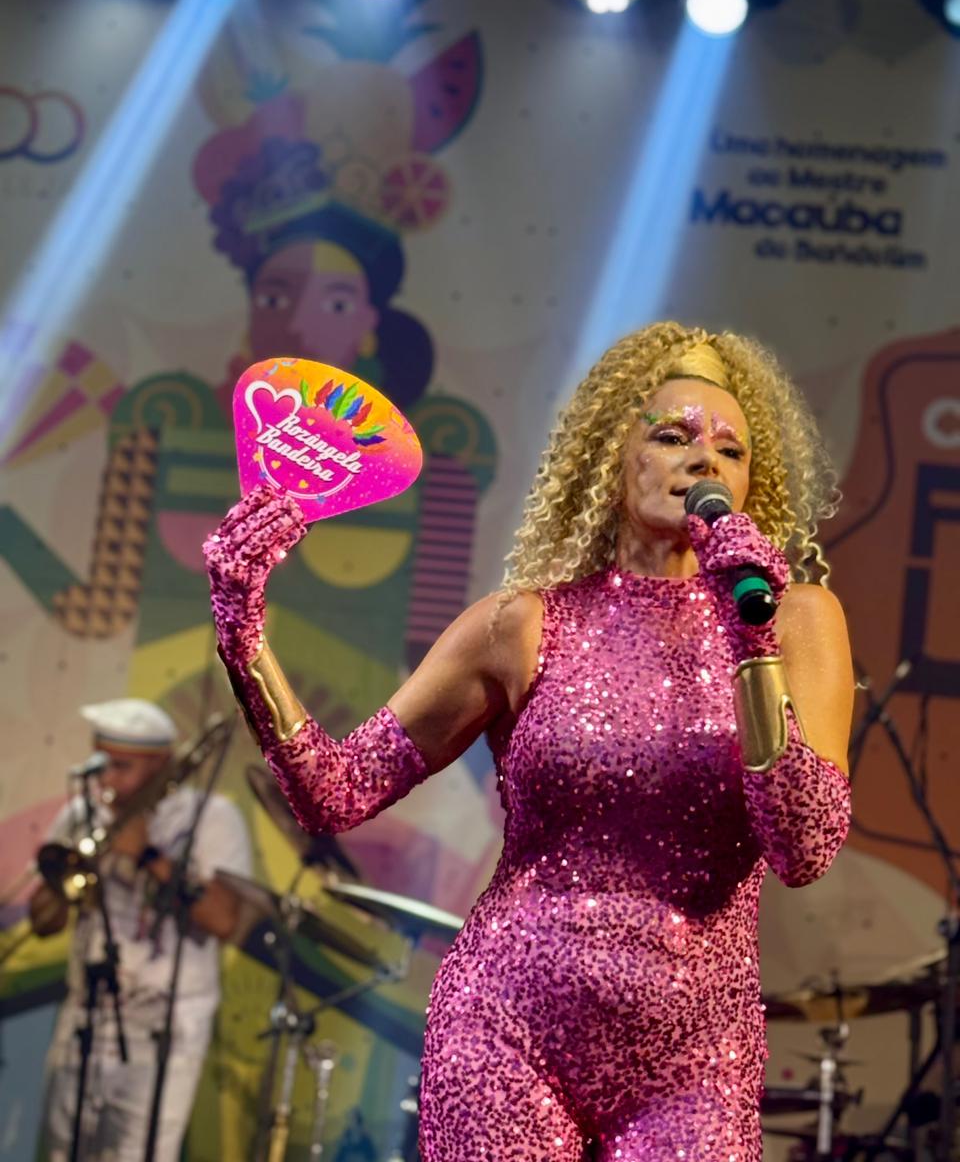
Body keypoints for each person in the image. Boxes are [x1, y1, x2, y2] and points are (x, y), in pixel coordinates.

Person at [204, 321, 854, 1161]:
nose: (705, 460)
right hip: (506, 1030)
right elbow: (335, 792)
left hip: (695, 1061)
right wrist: (243, 632)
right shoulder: (521, 627)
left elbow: (804, 846)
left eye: (731, 451)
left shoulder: (795, 619)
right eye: (672, 436)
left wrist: (751, 643)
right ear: (614, 456)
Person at [30, 697, 252, 1162]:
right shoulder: (83, 815)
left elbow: (224, 920)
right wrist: (65, 877)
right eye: (100, 765)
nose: (106, 781)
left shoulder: (211, 816)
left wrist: (148, 856)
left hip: (166, 1026)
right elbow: (43, 923)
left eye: (121, 767)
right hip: (85, 1016)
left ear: (161, 765)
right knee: (62, 1151)